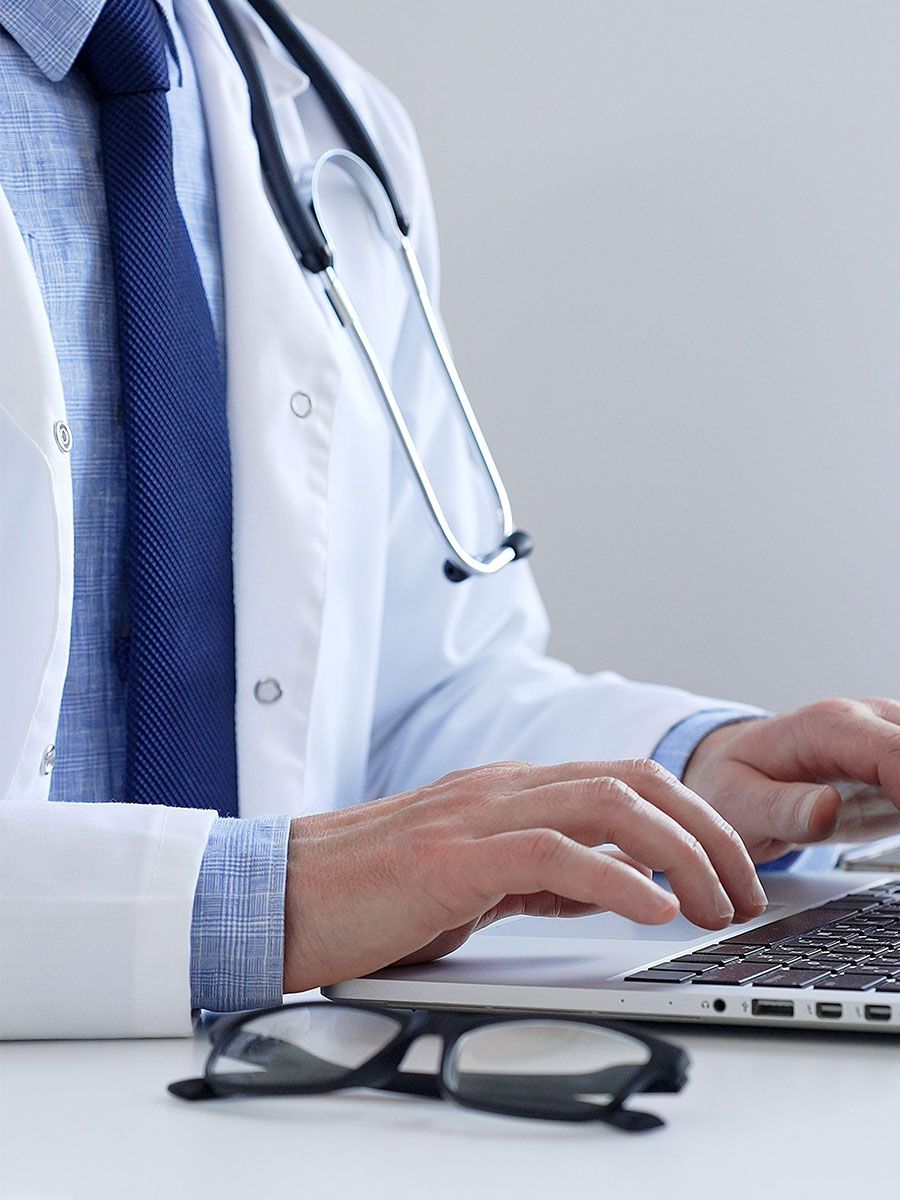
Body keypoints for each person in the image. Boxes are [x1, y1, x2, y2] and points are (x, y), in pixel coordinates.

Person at [1, 0, 899, 1041]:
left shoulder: (325, 123)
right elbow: (326, 866)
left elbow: (407, 700)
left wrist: (688, 771)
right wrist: (265, 903)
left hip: (271, 1101)